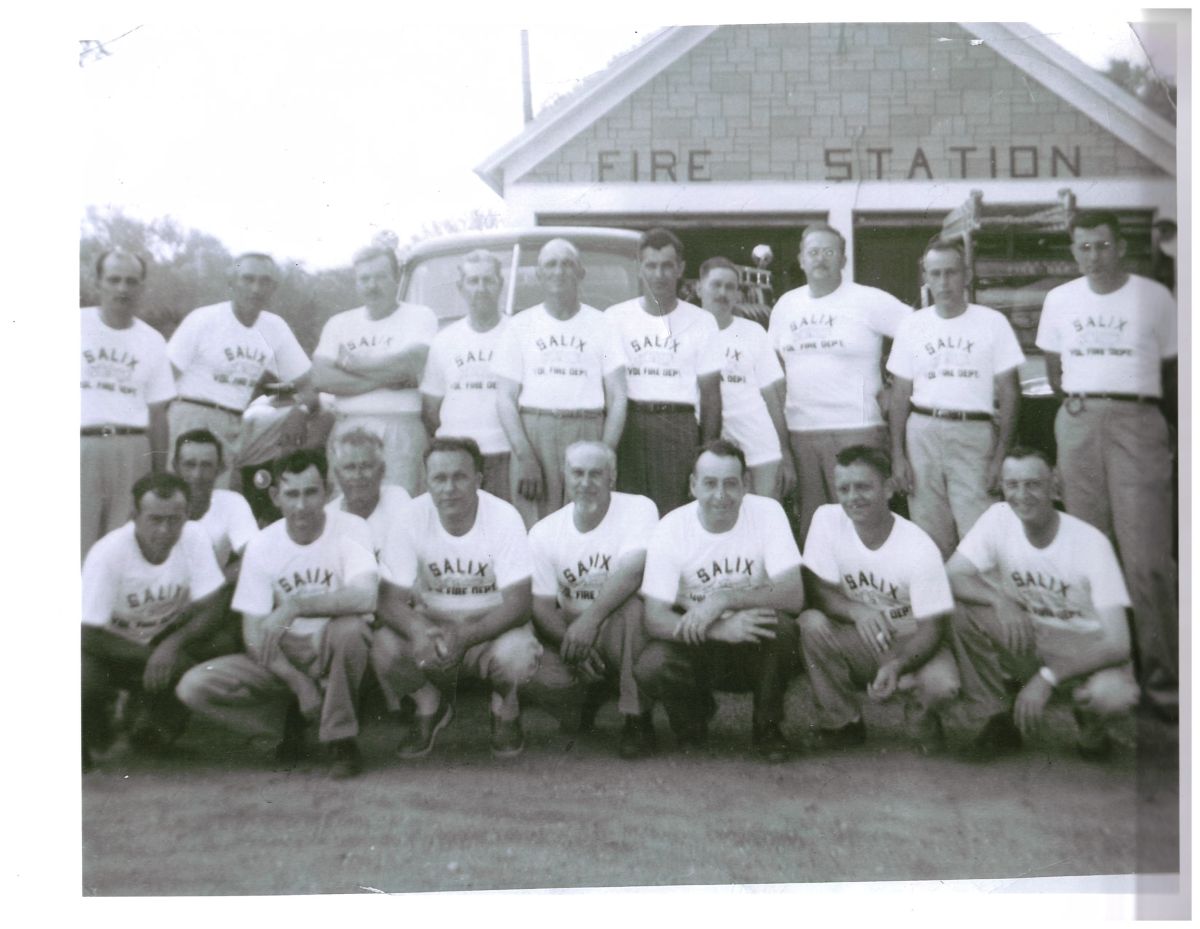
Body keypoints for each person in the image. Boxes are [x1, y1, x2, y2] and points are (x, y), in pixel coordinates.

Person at [1035, 210, 1178, 721]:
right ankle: (1096, 672)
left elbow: (1172, 367)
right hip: (1078, 418)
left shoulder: (1154, 297)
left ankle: (1163, 681)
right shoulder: (1060, 299)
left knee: (1146, 559)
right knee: (1087, 555)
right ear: (1073, 250)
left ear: (1120, 247)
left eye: (1101, 246)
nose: (1093, 256)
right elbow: (1055, 372)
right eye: (1083, 247)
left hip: (1137, 418)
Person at [176, 449, 377, 779]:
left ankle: (340, 739)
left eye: (311, 492)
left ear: (326, 491)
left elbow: (365, 595)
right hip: (285, 654)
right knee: (195, 686)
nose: (301, 505)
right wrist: (299, 685)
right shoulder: (263, 544)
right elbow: (253, 634)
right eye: (292, 494)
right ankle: (286, 727)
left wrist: (295, 605)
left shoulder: (351, 527)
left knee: (351, 630)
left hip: (332, 649)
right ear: (275, 496)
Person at [946, 447, 1140, 761]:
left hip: (1086, 648)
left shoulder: (1090, 543)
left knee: (1113, 696)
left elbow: (1119, 644)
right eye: (1012, 484)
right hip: (1034, 637)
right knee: (959, 611)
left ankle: (1092, 731)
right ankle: (997, 719)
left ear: (1054, 485)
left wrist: (1047, 677)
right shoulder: (998, 518)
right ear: (1003, 486)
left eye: (1033, 484)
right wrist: (999, 600)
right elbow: (951, 575)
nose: (1022, 495)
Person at [372, 438, 541, 758]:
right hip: (435, 628)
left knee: (517, 653)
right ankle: (429, 705)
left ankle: (505, 707)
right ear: (427, 480)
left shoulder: (504, 516)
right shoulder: (410, 517)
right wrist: (417, 630)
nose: (449, 487)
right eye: (439, 478)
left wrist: (469, 635)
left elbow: (519, 603)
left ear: (478, 479)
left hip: (492, 627)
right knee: (383, 646)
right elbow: (388, 599)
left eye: (459, 477)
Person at [635, 440, 803, 762]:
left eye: (731, 483)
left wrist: (724, 597)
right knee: (652, 665)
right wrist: (717, 629)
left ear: (746, 485)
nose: (720, 495)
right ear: (693, 485)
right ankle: (693, 717)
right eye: (710, 483)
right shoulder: (671, 527)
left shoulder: (767, 512)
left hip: (751, 641)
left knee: (781, 629)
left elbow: (794, 595)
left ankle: (767, 727)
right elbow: (654, 617)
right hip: (698, 641)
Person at [798, 446, 959, 753]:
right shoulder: (827, 519)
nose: (852, 496)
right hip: (863, 637)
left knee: (943, 686)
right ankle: (842, 722)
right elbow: (819, 591)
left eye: (863, 486)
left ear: (887, 488)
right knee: (811, 623)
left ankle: (920, 715)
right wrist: (855, 610)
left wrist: (898, 665)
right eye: (844, 488)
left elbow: (932, 628)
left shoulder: (918, 545)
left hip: (910, 639)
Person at [767, 223, 911, 540]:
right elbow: (773, 370)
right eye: (813, 252)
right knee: (815, 530)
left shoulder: (869, 300)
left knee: (863, 525)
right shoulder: (785, 306)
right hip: (802, 434)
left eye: (829, 252)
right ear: (801, 259)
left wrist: (894, 384)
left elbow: (920, 330)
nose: (821, 259)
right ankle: (824, 589)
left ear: (843, 260)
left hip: (858, 429)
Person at [887, 239, 1024, 559]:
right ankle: (944, 609)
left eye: (951, 272)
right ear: (926, 278)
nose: (943, 281)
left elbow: (1010, 394)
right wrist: (898, 455)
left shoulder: (993, 323)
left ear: (968, 275)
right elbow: (899, 396)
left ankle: (982, 608)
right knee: (928, 536)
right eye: (935, 273)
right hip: (922, 432)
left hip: (973, 433)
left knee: (980, 533)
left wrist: (1000, 455)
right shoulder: (912, 325)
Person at [523, 441, 660, 758]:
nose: (586, 483)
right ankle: (584, 699)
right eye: (578, 473)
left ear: (612, 477)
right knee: (526, 661)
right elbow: (541, 606)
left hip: (619, 627)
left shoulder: (639, 508)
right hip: (572, 632)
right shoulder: (544, 532)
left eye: (596, 474)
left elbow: (633, 571)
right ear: (565, 476)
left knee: (632, 609)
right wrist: (571, 641)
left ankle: (636, 718)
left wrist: (590, 621)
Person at [82, 472, 226, 770]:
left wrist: (173, 645)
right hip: (109, 647)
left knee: (222, 640)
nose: (164, 530)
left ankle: (150, 724)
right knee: (82, 679)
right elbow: (85, 634)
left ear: (186, 515)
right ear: (134, 516)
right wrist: (154, 655)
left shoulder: (194, 536)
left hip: (162, 638)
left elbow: (214, 606)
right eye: (155, 519)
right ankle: (90, 728)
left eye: (174, 519)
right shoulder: (108, 554)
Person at [493, 238, 628, 526]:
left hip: (587, 428)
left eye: (567, 263)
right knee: (532, 524)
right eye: (550, 264)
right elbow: (505, 398)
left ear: (580, 273)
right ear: (539, 274)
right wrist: (524, 454)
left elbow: (617, 396)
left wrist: (605, 451)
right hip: (534, 433)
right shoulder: (519, 326)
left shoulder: (602, 324)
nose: (558, 271)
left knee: (586, 521)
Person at [166, 253, 315, 487]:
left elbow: (309, 384)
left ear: (273, 288)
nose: (256, 288)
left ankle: (281, 488)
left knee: (322, 415)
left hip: (237, 422)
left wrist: (301, 411)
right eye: (248, 279)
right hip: (193, 414)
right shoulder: (204, 319)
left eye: (264, 281)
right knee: (185, 494)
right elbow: (163, 381)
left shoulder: (274, 327)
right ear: (232, 283)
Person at [607, 228, 722, 515]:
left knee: (675, 515)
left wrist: (705, 454)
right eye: (651, 265)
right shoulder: (615, 318)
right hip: (629, 427)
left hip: (678, 426)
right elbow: (608, 390)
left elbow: (710, 397)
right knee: (630, 516)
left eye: (667, 266)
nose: (659, 274)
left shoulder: (702, 321)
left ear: (680, 268)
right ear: (639, 269)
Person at [313, 245, 438, 495]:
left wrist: (354, 364)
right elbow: (321, 378)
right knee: (348, 511)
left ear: (396, 277)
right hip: (348, 429)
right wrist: (389, 377)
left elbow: (413, 364)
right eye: (365, 278)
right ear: (357, 282)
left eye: (380, 277)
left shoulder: (419, 316)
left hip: (401, 431)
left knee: (401, 509)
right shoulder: (339, 323)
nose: (372, 286)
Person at [81, 249, 176, 559]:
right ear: (98, 283)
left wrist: (160, 472)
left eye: (131, 282)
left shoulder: (152, 340)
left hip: (132, 449)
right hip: (81, 444)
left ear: (142, 288)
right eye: (114, 280)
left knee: (120, 547)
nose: (123, 288)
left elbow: (158, 414)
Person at [697, 257, 793, 500]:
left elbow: (773, 396)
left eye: (730, 287)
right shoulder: (685, 333)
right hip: (715, 452)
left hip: (760, 450)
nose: (723, 292)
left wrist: (785, 452)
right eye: (716, 285)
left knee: (765, 521)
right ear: (699, 288)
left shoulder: (753, 333)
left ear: (738, 294)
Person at [421, 250, 513, 502]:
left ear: (500, 284)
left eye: (488, 280)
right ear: (461, 287)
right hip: (457, 459)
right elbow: (431, 408)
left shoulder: (519, 333)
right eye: (473, 281)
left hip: (506, 455)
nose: (481, 288)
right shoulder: (444, 341)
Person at [173, 429, 258, 582]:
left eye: (206, 465)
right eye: (189, 465)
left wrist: (214, 585)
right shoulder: (158, 504)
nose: (197, 475)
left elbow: (255, 557)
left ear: (219, 468)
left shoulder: (232, 503)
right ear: (175, 467)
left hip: (211, 599)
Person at [324, 427, 412, 557]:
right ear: (337, 474)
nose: (358, 475)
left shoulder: (398, 501)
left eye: (366, 466)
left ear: (382, 470)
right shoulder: (327, 519)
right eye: (349, 467)